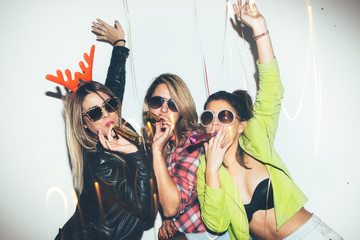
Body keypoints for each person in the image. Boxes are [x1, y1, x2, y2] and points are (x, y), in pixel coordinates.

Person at [196, 1, 343, 239]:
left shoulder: (256, 139)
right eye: (208, 117)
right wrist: (212, 169)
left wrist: (259, 28)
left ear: (241, 125)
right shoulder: (204, 170)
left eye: (224, 116)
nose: (215, 122)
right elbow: (217, 224)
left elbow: (272, 90)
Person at [50, 19, 154, 240]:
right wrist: (136, 155)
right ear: (84, 124)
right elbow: (147, 214)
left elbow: (113, 88)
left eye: (111, 105)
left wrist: (119, 44)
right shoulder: (102, 162)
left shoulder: (113, 127)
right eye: (96, 113)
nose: (107, 114)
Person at [142, 74, 230, 240]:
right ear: (149, 106)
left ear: (182, 110)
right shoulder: (158, 144)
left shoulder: (193, 143)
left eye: (173, 104)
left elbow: (171, 207)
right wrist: (169, 220)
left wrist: (156, 151)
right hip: (186, 234)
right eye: (157, 102)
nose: (163, 110)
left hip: (209, 236)